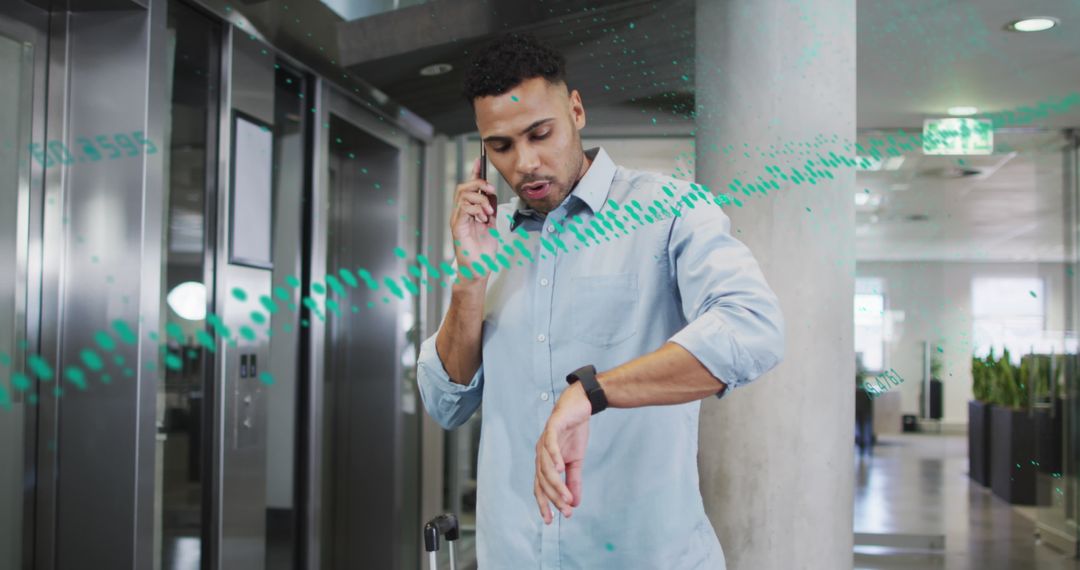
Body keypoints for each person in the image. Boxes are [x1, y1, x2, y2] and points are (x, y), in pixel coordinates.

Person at [416, 33, 785, 569]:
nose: (525, 163)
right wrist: (470, 281)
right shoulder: (489, 238)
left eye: (539, 133)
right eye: (500, 146)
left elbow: (753, 329)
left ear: (577, 110)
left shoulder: (671, 211)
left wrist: (593, 392)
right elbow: (445, 402)